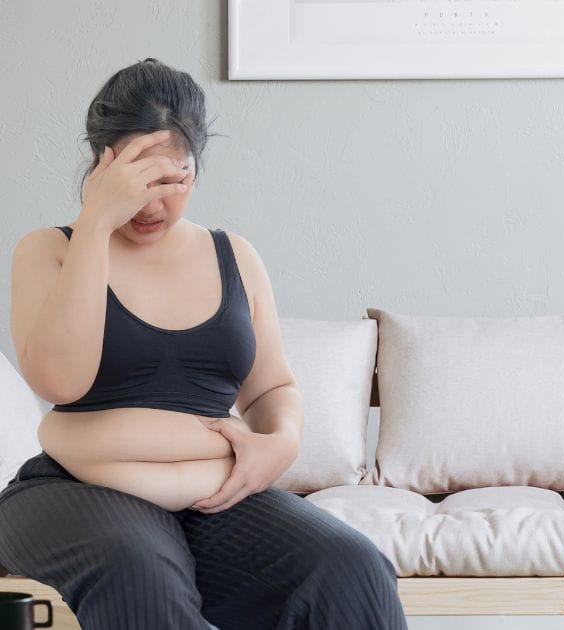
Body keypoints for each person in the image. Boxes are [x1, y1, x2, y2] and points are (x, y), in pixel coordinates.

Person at [0, 58, 408, 629]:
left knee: (350, 566)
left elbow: (271, 387)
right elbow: (59, 382)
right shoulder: (51, 250)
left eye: (173, 181)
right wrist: (95, 224)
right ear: (102, 165)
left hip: (213, 489)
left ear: (196, 166)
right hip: (76, 486)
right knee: (139, 573)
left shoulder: (234, 255)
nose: (151, 206)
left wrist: (281, 441)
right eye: (137, 183)